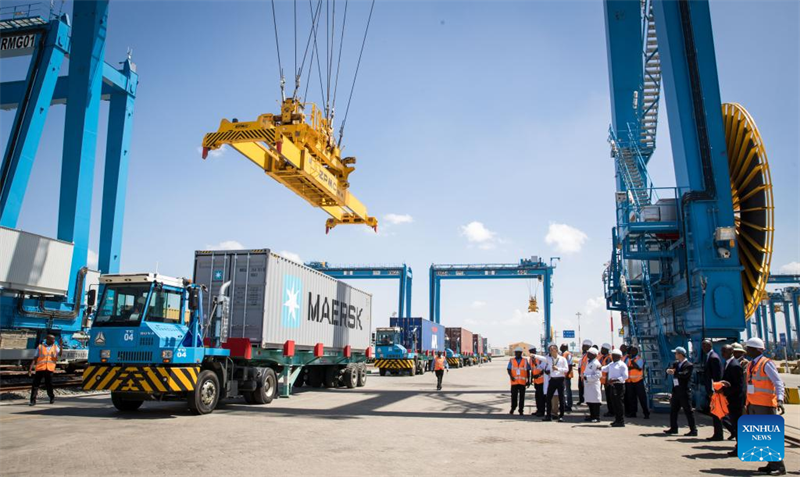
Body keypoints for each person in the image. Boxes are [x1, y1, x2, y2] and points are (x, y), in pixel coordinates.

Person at [743, 337, 786, 475]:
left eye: (749, 348)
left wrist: (780, 399)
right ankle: (771, 463)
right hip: (754, 404)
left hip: (765, 405)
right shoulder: (751, 364)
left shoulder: (766, 363)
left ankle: (779, 466)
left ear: (757, 350)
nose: (747, 350)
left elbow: (778, 382)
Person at [664, 346, 697, 436]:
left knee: (688, 411)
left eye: (676, 353)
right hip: (676, 390)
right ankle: (673, 428)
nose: (675, 355)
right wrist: (668, 370)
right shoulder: (676, 364)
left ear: (680, 354)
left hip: (684, 391)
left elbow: (684, 375)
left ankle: (693, 430)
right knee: (673, 410)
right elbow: (671, 369)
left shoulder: (689, 365)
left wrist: (674, 372)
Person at [533, 344, 569, 422]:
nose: (551, 351)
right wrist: (534, 355)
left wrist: (558, 369)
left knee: (561, 398)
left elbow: (566, 369)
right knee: (548, 398)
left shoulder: (562, 359)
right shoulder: (549, 359)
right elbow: (542, 358)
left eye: (552, 350)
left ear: (556, 350)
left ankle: (561, 416)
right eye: (550, 350)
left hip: (560, 380)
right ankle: (548, 416)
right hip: (552, 380)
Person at [718, 344, 743, 457]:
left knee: (738, 425)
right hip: (730, 399)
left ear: (731, 352)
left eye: (725, 351)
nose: (723, 354)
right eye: (722, 351)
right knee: (734, 424)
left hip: (735, 401)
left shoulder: (735, 366)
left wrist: (725, 391)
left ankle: (740, 448)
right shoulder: (728, 364)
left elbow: (738, 386)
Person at [29, 334, 62, 406]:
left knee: (49, 385)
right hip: (40, 368)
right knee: (35, 385)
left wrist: (61, 346)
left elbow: (60, 354)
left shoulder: (55, 347)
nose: (53, 340)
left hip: (49, 369)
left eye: (54, 339)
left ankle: (51, 397)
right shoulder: (40, 347)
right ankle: (32, 401)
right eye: (52, 339)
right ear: (47, 339)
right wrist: (31, 367)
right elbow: (35, 358)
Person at [702, 339, 725, 441]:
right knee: (716, 413)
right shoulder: (709, 357)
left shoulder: (713, 358)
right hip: (712, 389)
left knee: (717, 413)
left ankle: (720, 434)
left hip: (715, 390)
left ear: (709, 346)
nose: (703, 348)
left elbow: (716, 376)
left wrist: (714, 390)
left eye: (704, 346)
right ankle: (718, 433)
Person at [603, 348, 628, 427]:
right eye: (612, 356)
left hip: (619, 386)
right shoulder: (612, 364)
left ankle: (621, 421)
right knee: (614, 403)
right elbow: (605, 369)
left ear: (619, 356)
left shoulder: (622, 365)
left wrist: (616, 380)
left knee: (619, 404)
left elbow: (625, 376)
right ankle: (616, 420)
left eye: (614, 356)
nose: (612, 357)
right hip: (612, 386)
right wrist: (598, 368)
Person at [624, 345, 650, 419]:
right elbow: (626, 367)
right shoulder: (628, 359)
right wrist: (632, 366)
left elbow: (639, 368)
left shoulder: (639, 359)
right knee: (631, 398)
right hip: (630, 381)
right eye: (631, 351)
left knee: (642, 398)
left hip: (638, 381)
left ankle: (646, 413)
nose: (632, 352)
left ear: (636, 352)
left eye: (634, 351)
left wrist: (632, 363)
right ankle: (633, 413)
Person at [507, 347, 531, 415]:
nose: (517, 354)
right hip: (514, 382)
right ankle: (513, 408)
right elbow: (508, 369)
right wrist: (511, 376)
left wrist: (528, 380)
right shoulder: (511, 360)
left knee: (522, 397)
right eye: (516, 352)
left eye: (518, 352)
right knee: (513, 396)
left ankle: (521, 410)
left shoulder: (525, 361)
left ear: (521, 353)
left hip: (522, 382)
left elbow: (528, 371)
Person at [582, 347, 603, 422]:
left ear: (594, 355)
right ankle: (592, 416)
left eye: (589, 353)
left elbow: (598, 375)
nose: (587, 354)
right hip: (588, 385)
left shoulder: (596, 363)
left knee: (595, 402)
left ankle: (596, 417)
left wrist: (587, 378)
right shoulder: (589, 362)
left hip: (594, 385)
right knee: (590, 401)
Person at [529, 347, 545, 417]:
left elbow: (544, 369)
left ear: (535, 351)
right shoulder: (530, 359)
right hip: (536, 381)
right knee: (537, 397)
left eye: (532, 352)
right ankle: (538, 410)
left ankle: (542, 411)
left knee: (541, 397)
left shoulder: (540, 358)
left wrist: (538, 375)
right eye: (530, 352)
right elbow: (532, 370)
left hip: (541, 380)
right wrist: (531, 379)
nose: (531, 353)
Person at [599, 343, 613, 417]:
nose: (601, 350)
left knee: (610, 397)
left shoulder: (608, 358)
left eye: (603, 349)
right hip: (604, 381)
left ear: (606, 350)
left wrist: (607, 381)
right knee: (608, 397)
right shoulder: (603, 357)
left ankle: (611, 411)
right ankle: (610, 410)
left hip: (608, 381)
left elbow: (608, 370)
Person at [578, 339, 593, 406]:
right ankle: (582, 400)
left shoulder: (589, 355)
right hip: (581, 374)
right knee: (581, 388)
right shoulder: (583, 355)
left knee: (586, 389)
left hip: (586, 375)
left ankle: (587, 401)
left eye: (584, 346)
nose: (582, 347)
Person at [560, 343, 574, 412]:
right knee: (562, 391)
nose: (560, 347)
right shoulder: (562, 354)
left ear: (565, 347)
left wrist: (566, 375)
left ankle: (569, 405)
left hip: (566, 375)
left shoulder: (568, 354)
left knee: (568, 391)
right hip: (562, 375)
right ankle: (563, 404)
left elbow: (570, 365)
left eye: (562, 346)